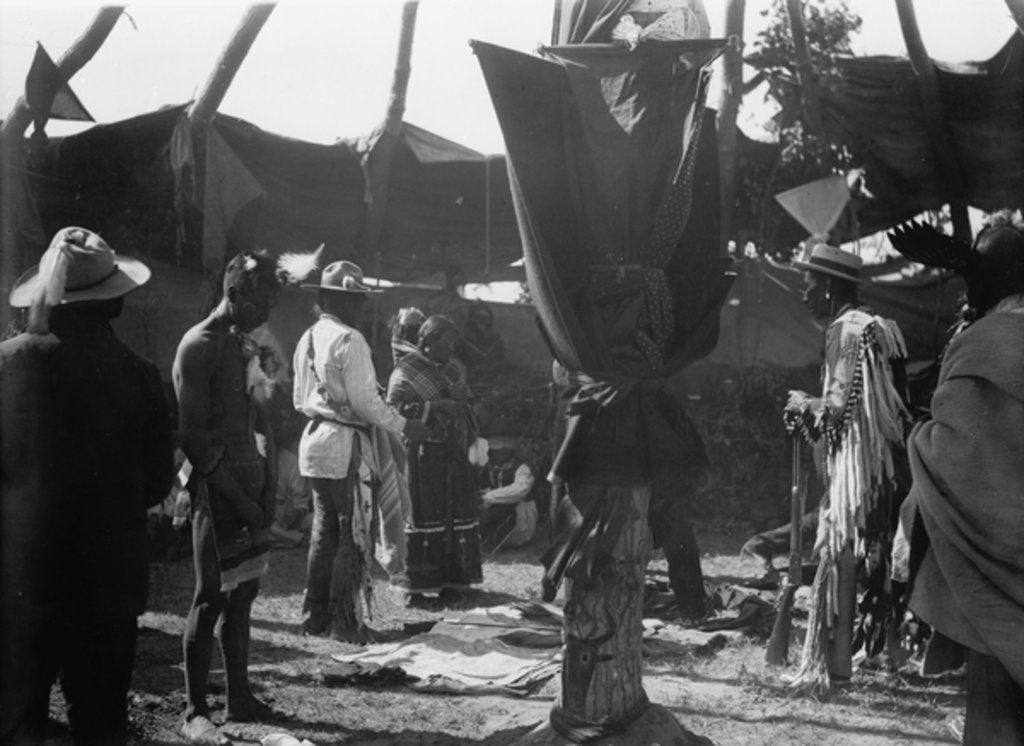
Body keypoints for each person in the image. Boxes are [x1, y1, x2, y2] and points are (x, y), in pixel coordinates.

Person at [0, 227, 174, 745]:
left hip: (22, 581)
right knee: (100, 725)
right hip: (106, 585)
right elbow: (158, 483)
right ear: (113, 302)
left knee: (16, 723)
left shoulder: (8, 364)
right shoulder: (140, 375)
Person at [889, 212, 1024, 744]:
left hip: (996, 559)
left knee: (997, 707)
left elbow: (957, 455)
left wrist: (919, 439)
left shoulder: (983, 340)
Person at [783, 240, 910, 691]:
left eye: (809, 283)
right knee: (876, 559)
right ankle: (889, 655)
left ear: (832, 287)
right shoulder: (881, 326)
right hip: (884, 467)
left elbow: (836, 412)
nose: (804, 293)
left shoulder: (844, 330)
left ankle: (837, 668)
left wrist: (803, 404)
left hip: (852, 474)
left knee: (840, 556)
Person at [174, 250, 286, 741]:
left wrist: (267, 487)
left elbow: (260, 419)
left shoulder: (243, 345)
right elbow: (195, 440)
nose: (266, 314)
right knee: (210, 597)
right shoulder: (197, 346)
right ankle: (195, 709)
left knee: (244, 596)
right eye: (260, 303)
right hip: (217, 490)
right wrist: (243, 499)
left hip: (249, 480)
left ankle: (239, 696)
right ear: (234, 293)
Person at [292, 261, 429, 643]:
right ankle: (345, 621)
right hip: (345, 445)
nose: (362, 307)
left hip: (316, 441)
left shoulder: (307, 338)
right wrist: (403, 425)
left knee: (324, 531)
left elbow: (297, 397)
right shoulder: (350, 339)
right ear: (335, 300)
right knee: (353, 532)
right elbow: (367, 403)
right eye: (356, 300)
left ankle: (315, 616)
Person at [387, 314, 483, 605]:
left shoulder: (454, 371)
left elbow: (471, 411)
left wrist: (463, 400)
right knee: (423, 515)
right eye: (446, 342)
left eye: (454, 342)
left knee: (454, 516)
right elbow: (393, 410)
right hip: (422, 457)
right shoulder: (406, 371)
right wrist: (437, 405)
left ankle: (452, 582)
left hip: (453, 456)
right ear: (427, 342)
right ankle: (415, 587)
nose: (451, 348)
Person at [478, 434, 539, 553]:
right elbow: (483, 487)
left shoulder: (522, 468)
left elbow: (519, 491)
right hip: (495, 513)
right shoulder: (490, 467)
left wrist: (488, 497)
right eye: (497, 450)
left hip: (520, 522)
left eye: (505, 450)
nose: (501, 452)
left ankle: (487, 543)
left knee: (502, 509)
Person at [460, 302, 506, 380]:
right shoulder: (465, 339)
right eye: (479, 319)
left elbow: (502, 360)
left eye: (485, 319)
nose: (482, 323)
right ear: (473, 321)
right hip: (472, 376)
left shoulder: (496, 339)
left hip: (493, 376)